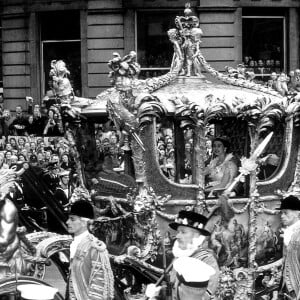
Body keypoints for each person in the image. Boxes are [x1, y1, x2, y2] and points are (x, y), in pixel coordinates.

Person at [146, 210, 219, 300]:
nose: (178, 236)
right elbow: (174, 288)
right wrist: (159, 292)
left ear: (196, 236)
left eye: (183, 232)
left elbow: (204, 296)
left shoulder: (207, 260)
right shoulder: (179, 257)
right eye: (178, 232)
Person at [66, 200, 114, 300]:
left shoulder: (95, 247)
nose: (67, 222)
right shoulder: (75, 243)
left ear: (84, 222)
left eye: (72, 219)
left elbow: (99, 286)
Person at [277, 195, 300, 299]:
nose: (282, 216)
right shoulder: (288, 232)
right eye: (281, 213)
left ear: (297, 213)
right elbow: (287, 258)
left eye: (286, 213)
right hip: (286, 284)